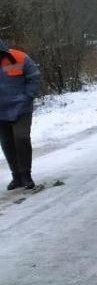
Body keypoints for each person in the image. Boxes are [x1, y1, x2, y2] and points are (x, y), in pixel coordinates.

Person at [0, 40, 42, 190]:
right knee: (7, 143)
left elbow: (34, 76)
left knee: (21, 138)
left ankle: (26, 175)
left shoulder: (19, 57)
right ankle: (16, 176)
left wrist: (28, 96)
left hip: (21, 108)